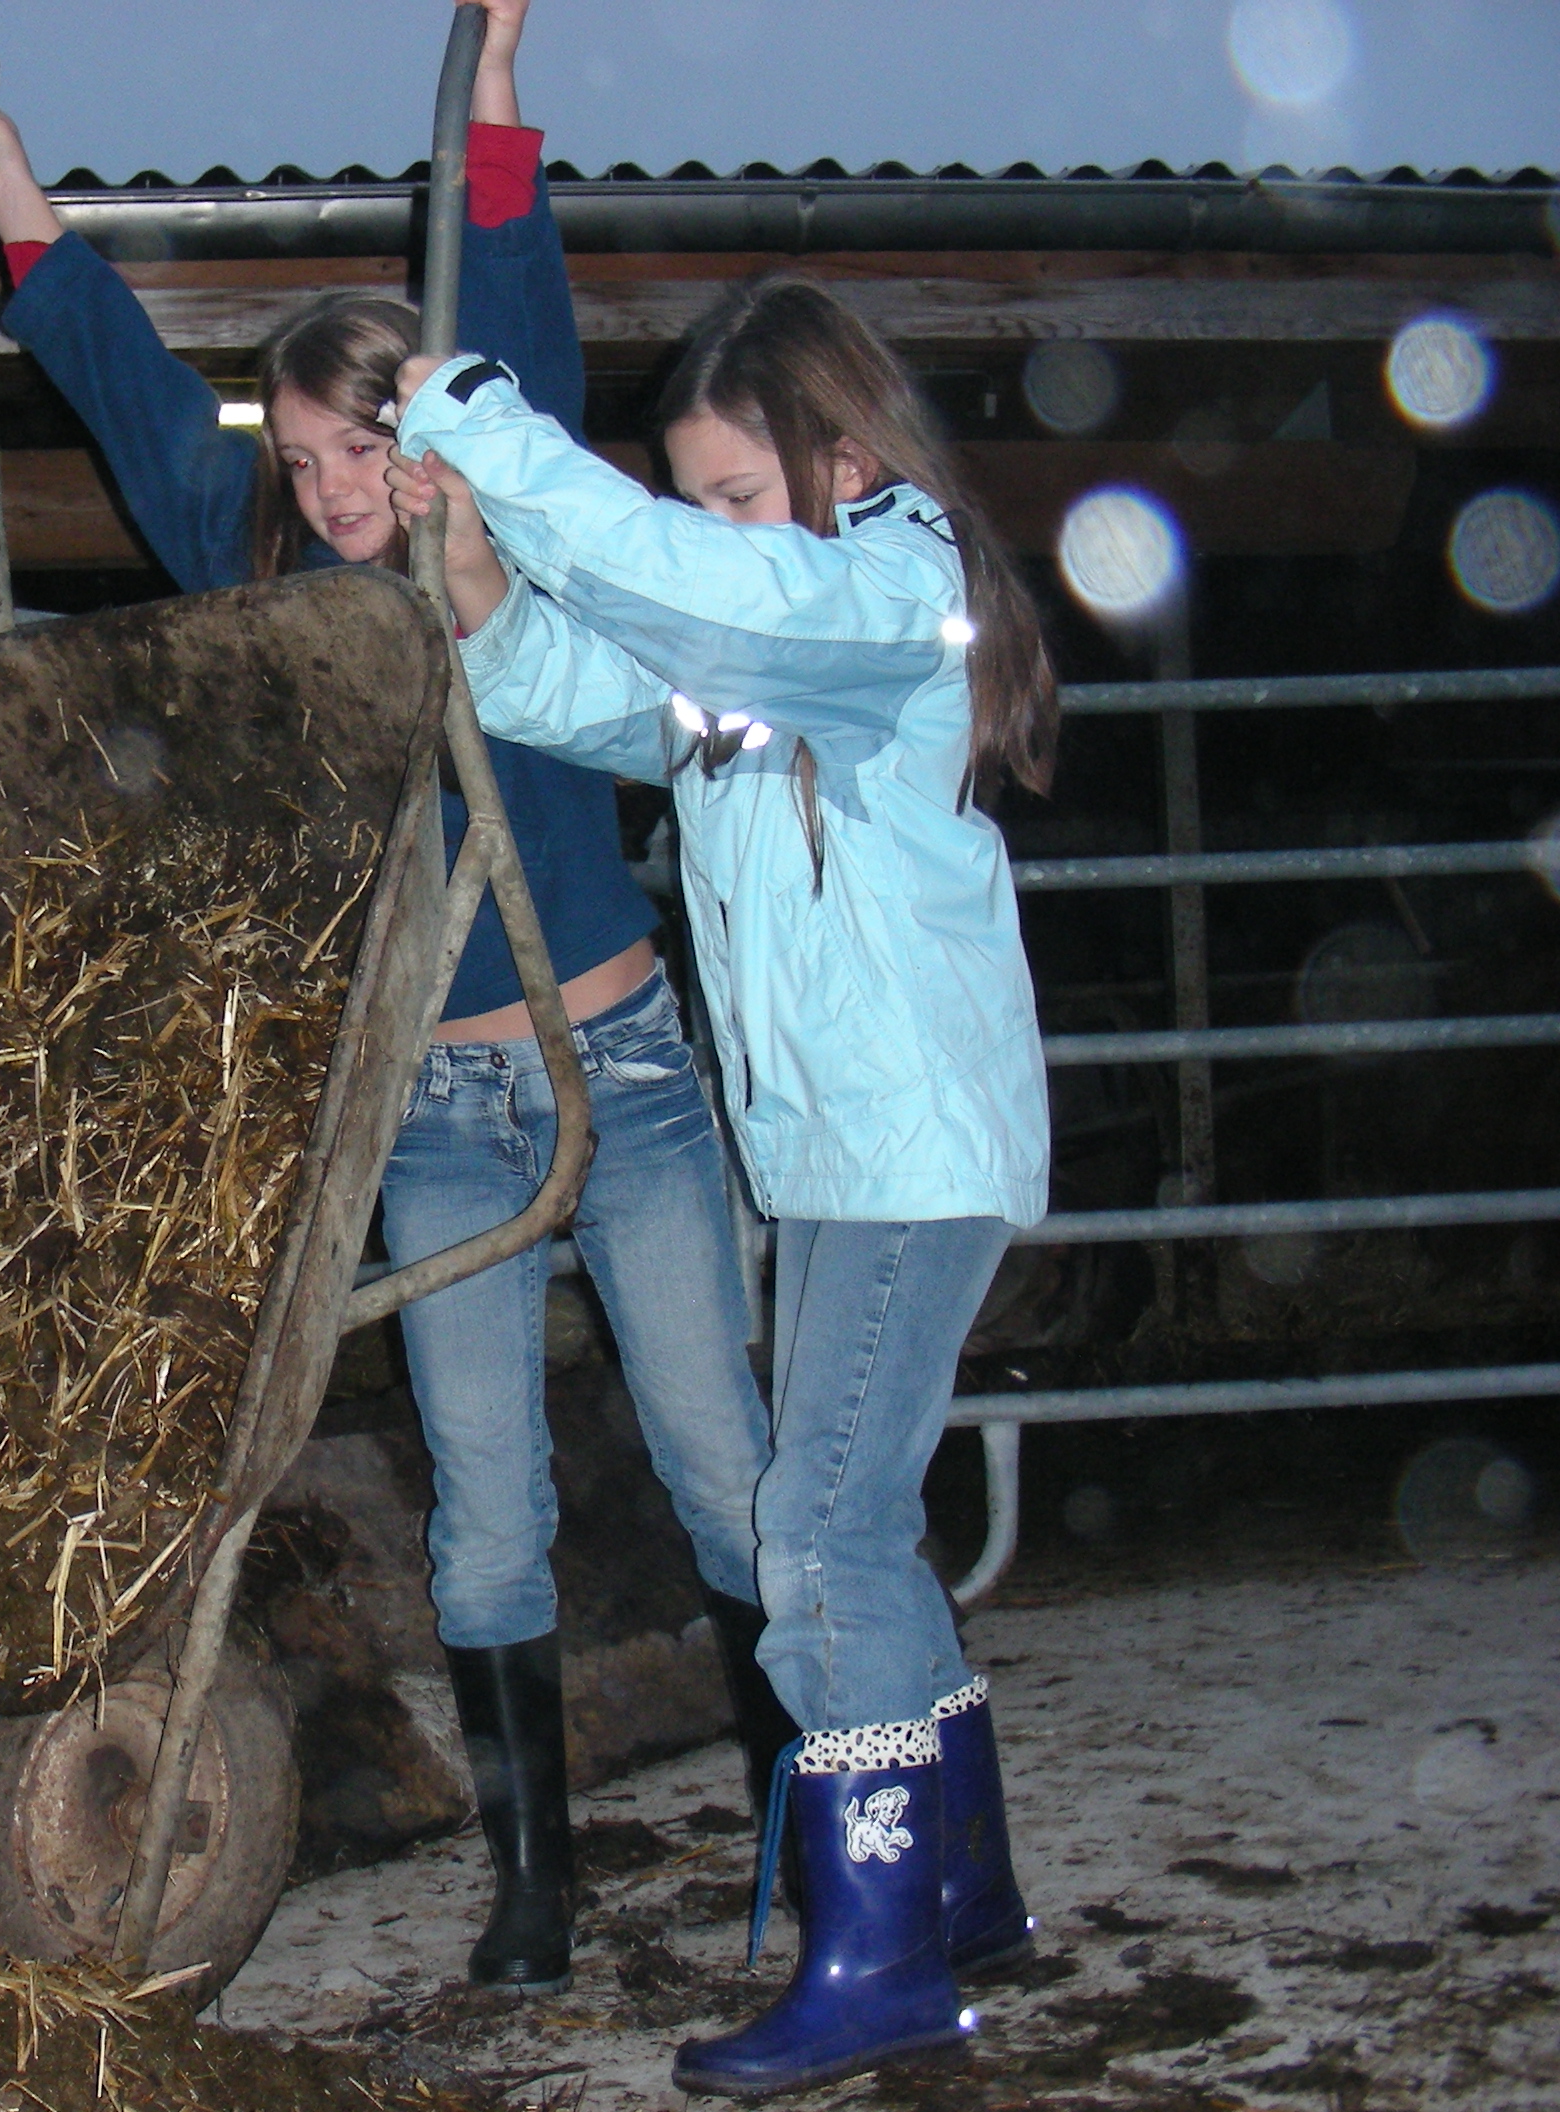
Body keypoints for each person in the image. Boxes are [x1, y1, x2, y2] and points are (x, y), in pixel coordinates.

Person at [0, 0, 778, 1996]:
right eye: (308, 454)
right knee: (482, 1518)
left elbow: (518, 331)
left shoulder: (521, 559)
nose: (335, 485)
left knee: (724, 1472)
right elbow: (150, 418)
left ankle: (808, 1838)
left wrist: (490, 106)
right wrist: (28, 225)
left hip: (629, 1071)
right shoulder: (291, 615)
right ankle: (535, 1893)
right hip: (430, 1113)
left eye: (366, 443)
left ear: (428, 436)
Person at [386, 275, 1051, 2095]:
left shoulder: (888, 582)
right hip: (843, 1153)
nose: (712, 537)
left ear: (844, 456)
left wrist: (495, 437)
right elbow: (623, 701)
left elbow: (717, 608)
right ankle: (962, 1890)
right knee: (858, 1521)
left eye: (739, 496)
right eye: (692, 504)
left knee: (812, 1532)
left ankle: (881, 1965)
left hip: (912, 1150)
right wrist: (485, 601)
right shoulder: (780, 631)